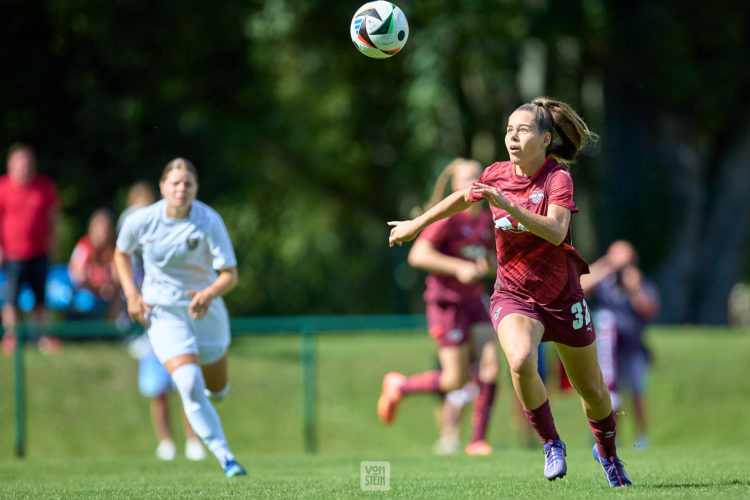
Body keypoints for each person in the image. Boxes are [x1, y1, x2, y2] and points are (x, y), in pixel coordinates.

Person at [387, 97, 632, 487]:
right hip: (513, 295)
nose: (512, 138)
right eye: (508, 130)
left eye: (522, 130)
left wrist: (509, 206)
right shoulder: (496, 173)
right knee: (519, 360)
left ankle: (609, 455)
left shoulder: (557, 178)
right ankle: (552, 443)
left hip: (564, 298)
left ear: (546, 138)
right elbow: (460, 199)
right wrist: (417, 224)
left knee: (594, 392)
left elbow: (555, 231)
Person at [114, 158, 245, 477]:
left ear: (196, 189)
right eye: (175, 183)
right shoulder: (142, 220)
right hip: (163, 314)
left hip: (205, 310)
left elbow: (230, 274)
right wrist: (132, 293)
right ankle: (225, 456)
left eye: (187, 183)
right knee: (187, 382)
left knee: (217, 389)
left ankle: (215, 395)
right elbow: (120, 253)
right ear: (162, 187)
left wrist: (209, 293)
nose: (181, 188)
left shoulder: (208, 220)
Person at [378, 158, 500, 456]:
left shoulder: (485, 219)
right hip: (446, 304)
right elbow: (417, 255)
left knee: (491, 366)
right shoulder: (448, 219)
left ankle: (477, 441)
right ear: (455, 187)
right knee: (454, 379)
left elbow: (490, 262)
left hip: (474, 301)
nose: (474, 182)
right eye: (467, 178)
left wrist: (486, 266)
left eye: (478, 176)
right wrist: (458, 267)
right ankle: (401, 386)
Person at [118, 180, 206, 462]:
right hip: (152, 326)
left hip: (177, 320)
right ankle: (166, 442)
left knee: (186, 383)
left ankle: (193, 440)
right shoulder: (133, 254)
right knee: (157, 388)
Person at [580, 240, 660, 449]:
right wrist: (604, 266)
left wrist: (635, 288)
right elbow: (580, 288)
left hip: (633, 349)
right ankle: (612, 436)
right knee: (610, 394)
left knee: (636, 393)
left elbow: (650, 310)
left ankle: (642, 437)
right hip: (607, 350)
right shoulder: (603, 282)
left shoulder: (639, 282)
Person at [0, 143, 61, 355]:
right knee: (11, 299)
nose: (24, 168)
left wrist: (54, 242)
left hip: (39, 252)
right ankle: (12, 337)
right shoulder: (2, 187)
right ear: (10, 165)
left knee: (40, 298)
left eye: (27, 163)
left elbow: (53, 217)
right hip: (12, 254)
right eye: (20, 164)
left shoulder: (44, 186)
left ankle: (42, 336)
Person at [68, 208, 123, 320]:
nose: (102, 235)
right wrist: (97, 289)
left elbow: (117, 277)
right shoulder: (84, 247)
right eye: (99, 230)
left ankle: (115, 329)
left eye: (105, 231)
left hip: (106, 293)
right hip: (84, 291)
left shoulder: (113, 250)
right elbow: (78, 277)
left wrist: (110, 287)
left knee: (119, 293)